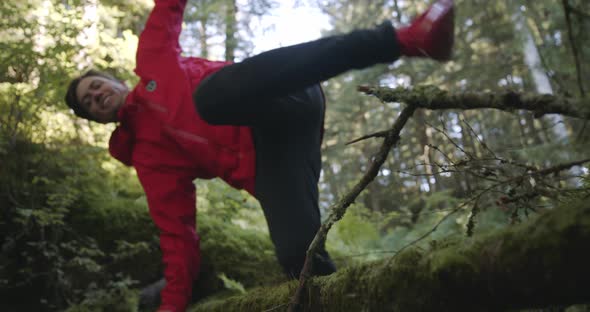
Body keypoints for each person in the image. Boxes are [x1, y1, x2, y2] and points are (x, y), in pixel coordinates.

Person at [64, 0, 454, 311]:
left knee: (209, 100)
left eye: (96, 85)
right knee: (297, 260)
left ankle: (408, 39)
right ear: (97, 119)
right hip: (275, 161)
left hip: (283, 101)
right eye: (90, 102)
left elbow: (169, 6)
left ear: (114, 79)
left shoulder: (152, 60)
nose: (97, 95)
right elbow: (177, 235)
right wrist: (170, 307)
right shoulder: (149, 162)